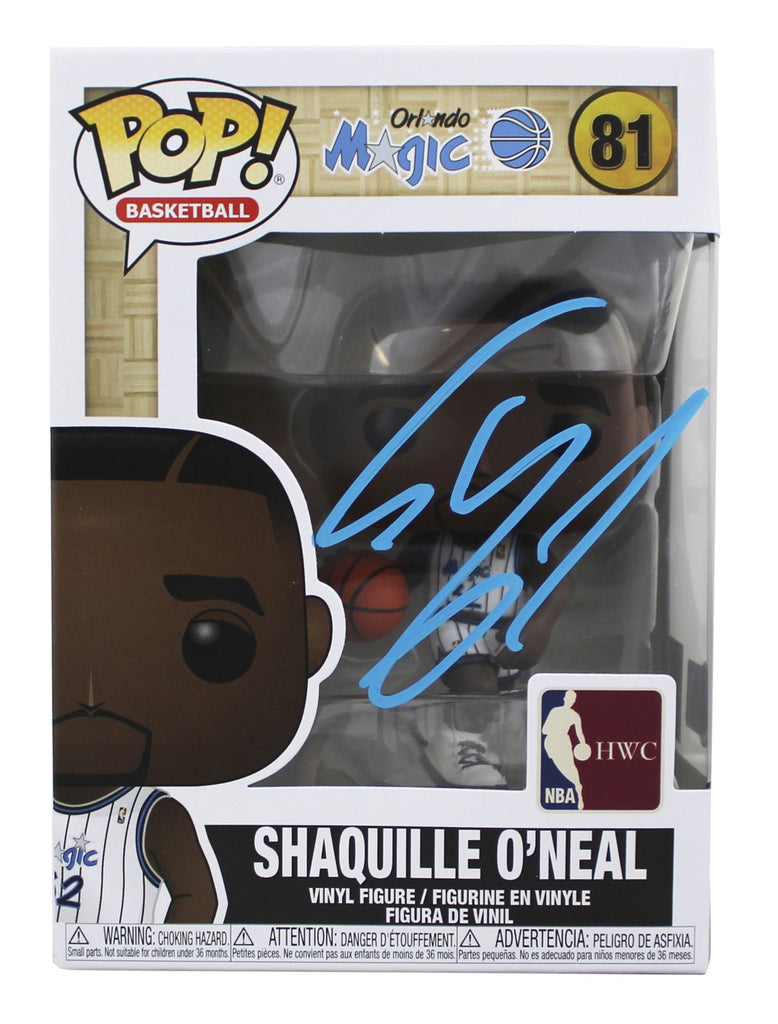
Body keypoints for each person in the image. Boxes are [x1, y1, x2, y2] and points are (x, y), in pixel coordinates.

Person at [52, 426, 337, 923]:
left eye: (213, 641)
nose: (92, 700)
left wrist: (151, 960)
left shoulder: (153, 818)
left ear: (308, 637)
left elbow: (198, 900)